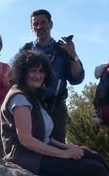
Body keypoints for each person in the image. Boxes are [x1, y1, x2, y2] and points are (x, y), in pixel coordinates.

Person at [0, 50, 109, 176]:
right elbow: (27, 140)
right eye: (33, 71)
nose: (38, 75)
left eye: (41, 71)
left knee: (94, 156)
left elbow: (45, 137)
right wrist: (64, 154)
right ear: (22, 72)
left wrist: (70, 147)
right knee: (93, 171)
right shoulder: (19, 98)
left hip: (39, 155)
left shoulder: (32, 95)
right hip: (28, 161)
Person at [27, 9, 84, 143]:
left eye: (43, 22)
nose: (39, 27)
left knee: (58, 145)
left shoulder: (63, 49)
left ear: (50, 24)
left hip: (56, 106)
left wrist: (73, 55)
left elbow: (76, 78)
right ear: (31, 27)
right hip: (33, 105)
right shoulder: (26, 50)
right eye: (35, 24)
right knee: (34, 143)